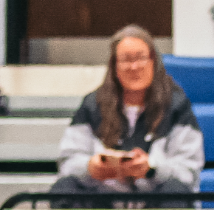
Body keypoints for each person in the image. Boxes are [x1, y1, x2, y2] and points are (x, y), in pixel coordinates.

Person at [51, 26, 203, 195]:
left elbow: (189, 170)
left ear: (154, 62)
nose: (134, 67)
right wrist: (90, 168)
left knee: (176, 190)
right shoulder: (92, 105)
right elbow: (68, 162)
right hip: (102, 200)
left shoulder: (176, 105)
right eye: (126, 60)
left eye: (141, 58)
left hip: (156, 202)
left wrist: (152, 169)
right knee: (64, 188)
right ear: (114, 66)